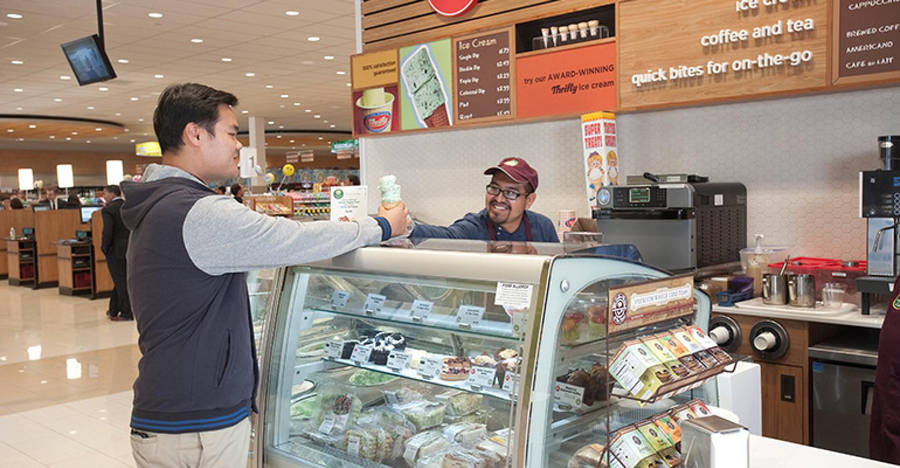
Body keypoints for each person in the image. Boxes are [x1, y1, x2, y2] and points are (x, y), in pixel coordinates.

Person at [120, 82, 408, 467]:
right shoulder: (197, 211)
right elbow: (293, 240)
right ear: (194, 134)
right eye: (231, 132)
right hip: (197, 421)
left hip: (171, 407)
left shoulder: (158, 204)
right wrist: (382, 226)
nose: (239, 145)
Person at [410, 157, 559, 242]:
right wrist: (406, 228)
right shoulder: (475, 226)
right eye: (494, 188)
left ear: (529, 200)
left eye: (511, 193)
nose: (499, 198)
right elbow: (447, 237)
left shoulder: (543, 227)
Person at [101, 185, 132, 322]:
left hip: (116, 250)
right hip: (130, 248)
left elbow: (108, 231)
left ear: (113, 194)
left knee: (120, 281)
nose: (104, 196)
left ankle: (127, 313)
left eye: (105, 193)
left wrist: (104, 247)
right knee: (121, 279)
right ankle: (113, 309)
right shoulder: (128, 206)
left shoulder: (108, 210)